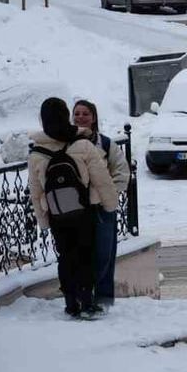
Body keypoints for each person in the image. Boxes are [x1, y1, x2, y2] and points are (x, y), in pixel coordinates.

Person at [28, 97, 118, 318]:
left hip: (57, 213)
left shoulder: (37, 153)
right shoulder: (82, 144)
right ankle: (87, 302)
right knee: (85, 254)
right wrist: (110, 205)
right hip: (82, 210)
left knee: (66, 256)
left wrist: (43, 220)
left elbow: (36, 191)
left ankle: (70, 303)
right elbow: (102, 179)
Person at [73, 99, 130, 307]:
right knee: (80, 255)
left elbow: (122, 171)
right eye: (77, 113)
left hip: (101, 208)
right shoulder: (66, 142)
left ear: (94, 117)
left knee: (105, 253)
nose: (80, 117)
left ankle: (104, 298)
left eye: (85, 113)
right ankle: (81, 297)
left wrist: (108, 194)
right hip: (75, 209)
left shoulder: (105, 143)